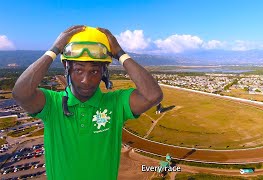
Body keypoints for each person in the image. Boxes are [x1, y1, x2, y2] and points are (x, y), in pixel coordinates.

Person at [12, 25, 163, 180]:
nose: (86, 80)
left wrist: (120, 53)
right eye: (79, 70)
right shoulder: (53, 103)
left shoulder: (115, 103)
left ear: (104, 71)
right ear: (67, 67)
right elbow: (21, 94)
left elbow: (152, 95)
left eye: (94, 71)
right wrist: (54, 49)